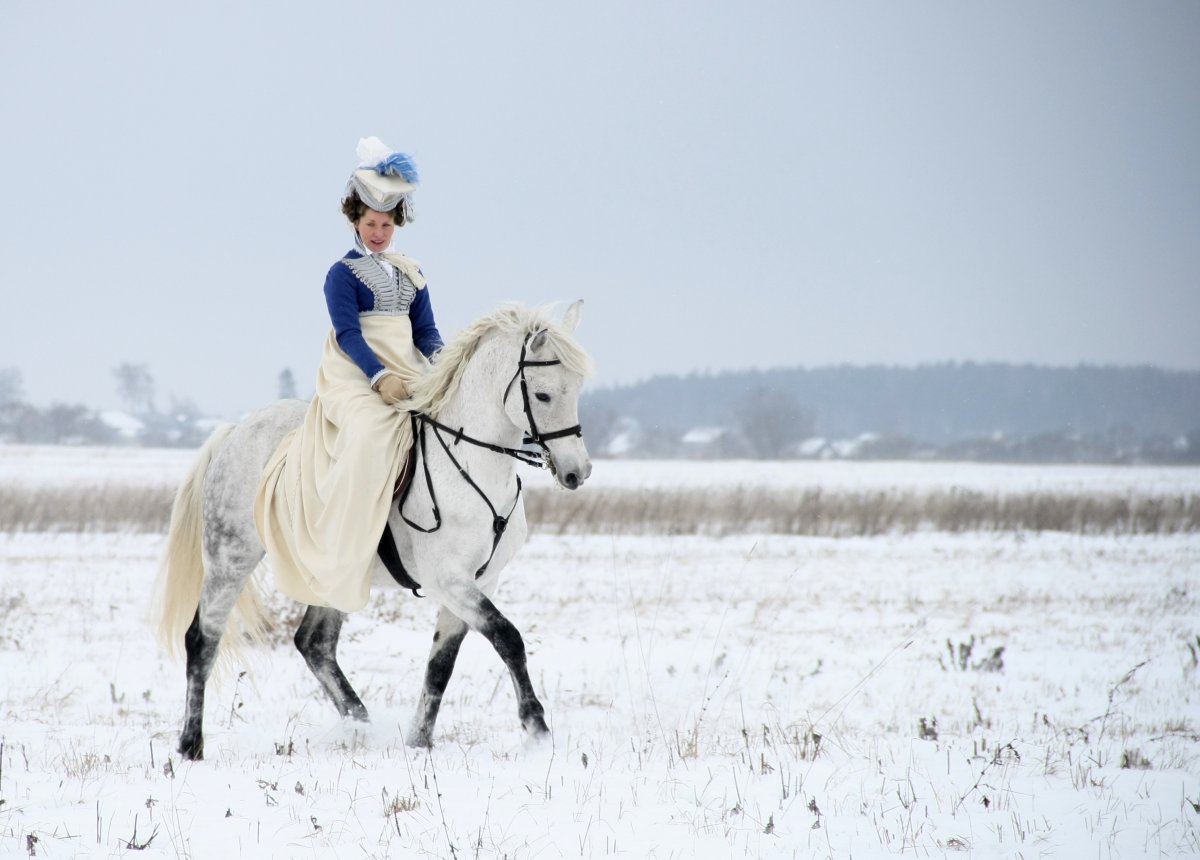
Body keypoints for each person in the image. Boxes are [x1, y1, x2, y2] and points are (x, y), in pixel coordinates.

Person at [255, 137, 442, 613]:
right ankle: (345, 543)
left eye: (385, 223)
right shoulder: (342, 274)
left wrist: (444, 367)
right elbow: (348, 335)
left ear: (395, 223)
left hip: (408, 370)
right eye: (370, 223)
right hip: (355, 375)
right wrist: (380, 378)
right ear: (355, 221)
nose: (378, 232)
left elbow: (426, 332)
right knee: (367, 434)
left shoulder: (412, 274)